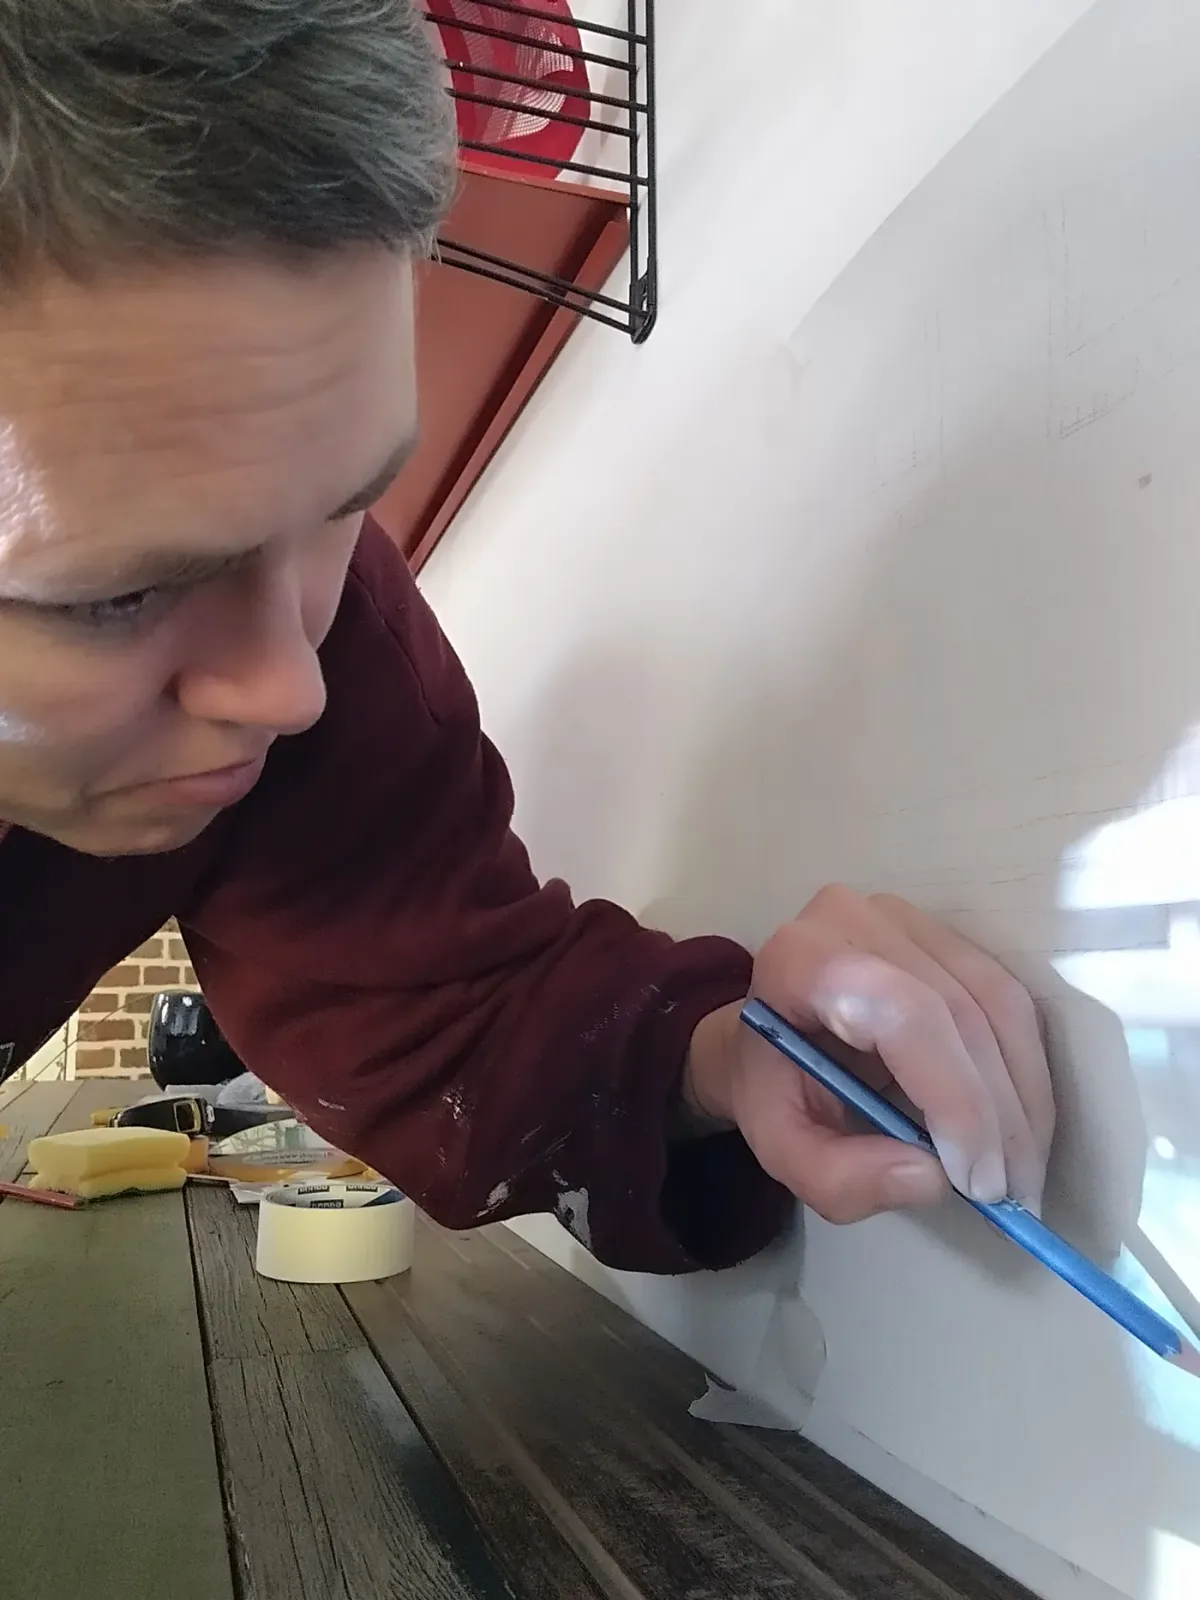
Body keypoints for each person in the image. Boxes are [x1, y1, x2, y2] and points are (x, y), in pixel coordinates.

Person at [0, 0, 1053, 1273]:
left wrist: (730, 1055)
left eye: (349, 504)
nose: (286, 687)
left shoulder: (330, 649)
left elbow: (452, 1024)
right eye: (113, 597)